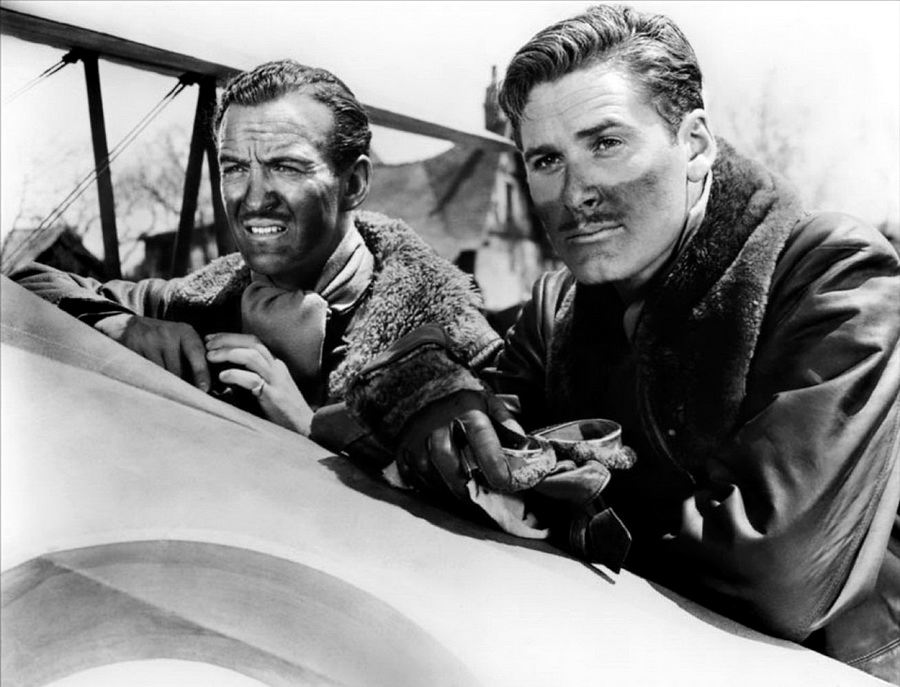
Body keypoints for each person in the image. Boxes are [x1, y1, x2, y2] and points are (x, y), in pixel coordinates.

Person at [344, 5, 900, 680]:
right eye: (546, 159)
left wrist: (549, 492)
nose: (575, 193)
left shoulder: (832, 274)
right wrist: (434, 403)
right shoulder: (558, 307)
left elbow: (775, 575)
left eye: (606, 143)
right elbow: (481, 446)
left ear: (695, 143)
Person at [14, 59, 502, 454]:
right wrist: (124, 326)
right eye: (234, 168)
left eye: (285, 166)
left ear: (353, 184)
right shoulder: (196, 300)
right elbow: (22, 284)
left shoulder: (453, 343)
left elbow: (498, 511)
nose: (252, 199)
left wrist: (311, 431)